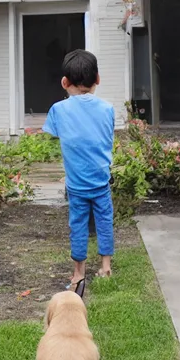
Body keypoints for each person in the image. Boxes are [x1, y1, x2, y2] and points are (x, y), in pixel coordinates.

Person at [44, 49, 118, 287]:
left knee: (78, 225)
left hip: (76, 184)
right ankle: (106, 267)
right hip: (101, 180)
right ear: (97, 79)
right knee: (105, 221)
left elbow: (54, 134)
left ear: (64, 82)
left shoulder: (58, 110)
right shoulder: (108, 109)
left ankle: (79, 272)